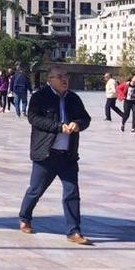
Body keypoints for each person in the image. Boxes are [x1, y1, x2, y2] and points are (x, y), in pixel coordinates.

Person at [18, 64, 92, 245]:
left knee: (72, 192)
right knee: (36, 190)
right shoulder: (40, 97)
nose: (64, 79)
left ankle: (74, 232)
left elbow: (85, 118)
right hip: (46, 154)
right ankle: (25, 217)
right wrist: (58, 127)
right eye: (60, 76)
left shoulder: (73, 98)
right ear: (50, 79)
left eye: (66, 75)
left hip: (67, 155)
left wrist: (78, 124)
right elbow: (33, 118)